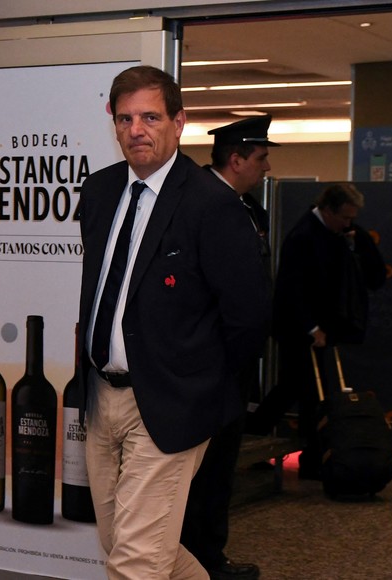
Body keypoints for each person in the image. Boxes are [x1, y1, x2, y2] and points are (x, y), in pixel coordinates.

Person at [76, 65, 270, 580]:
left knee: (137, 563)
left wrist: (204, 392)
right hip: (101, 397)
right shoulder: (98, 192)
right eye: (124, 118)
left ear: (178, 122)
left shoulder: (213, 206)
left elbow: (247, 319)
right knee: (128, 542)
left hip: (169, 404)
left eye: (150, 117)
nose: (136, 129)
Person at [180, 115, 279, 580]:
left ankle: (208, 555)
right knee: (199, 470)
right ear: (235, 159)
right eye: (260, 158)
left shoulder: (247, 208)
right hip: (208, 362)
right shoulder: (200, 202)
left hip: (234, 363)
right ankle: (194, 558)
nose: (266, 167)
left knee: (220, 467)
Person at [247, 183, 386, 479]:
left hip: (322, 325)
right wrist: (312, 328)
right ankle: (303, 454)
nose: (350, 223)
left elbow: (374, 273)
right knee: (303, 389)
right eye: (346, 217)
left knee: (301, 389)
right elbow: (291, 289)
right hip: (299, 327)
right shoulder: (303, 236)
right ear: (328, 210)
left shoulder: (343, 233)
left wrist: (357, 241)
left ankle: (296, 450)